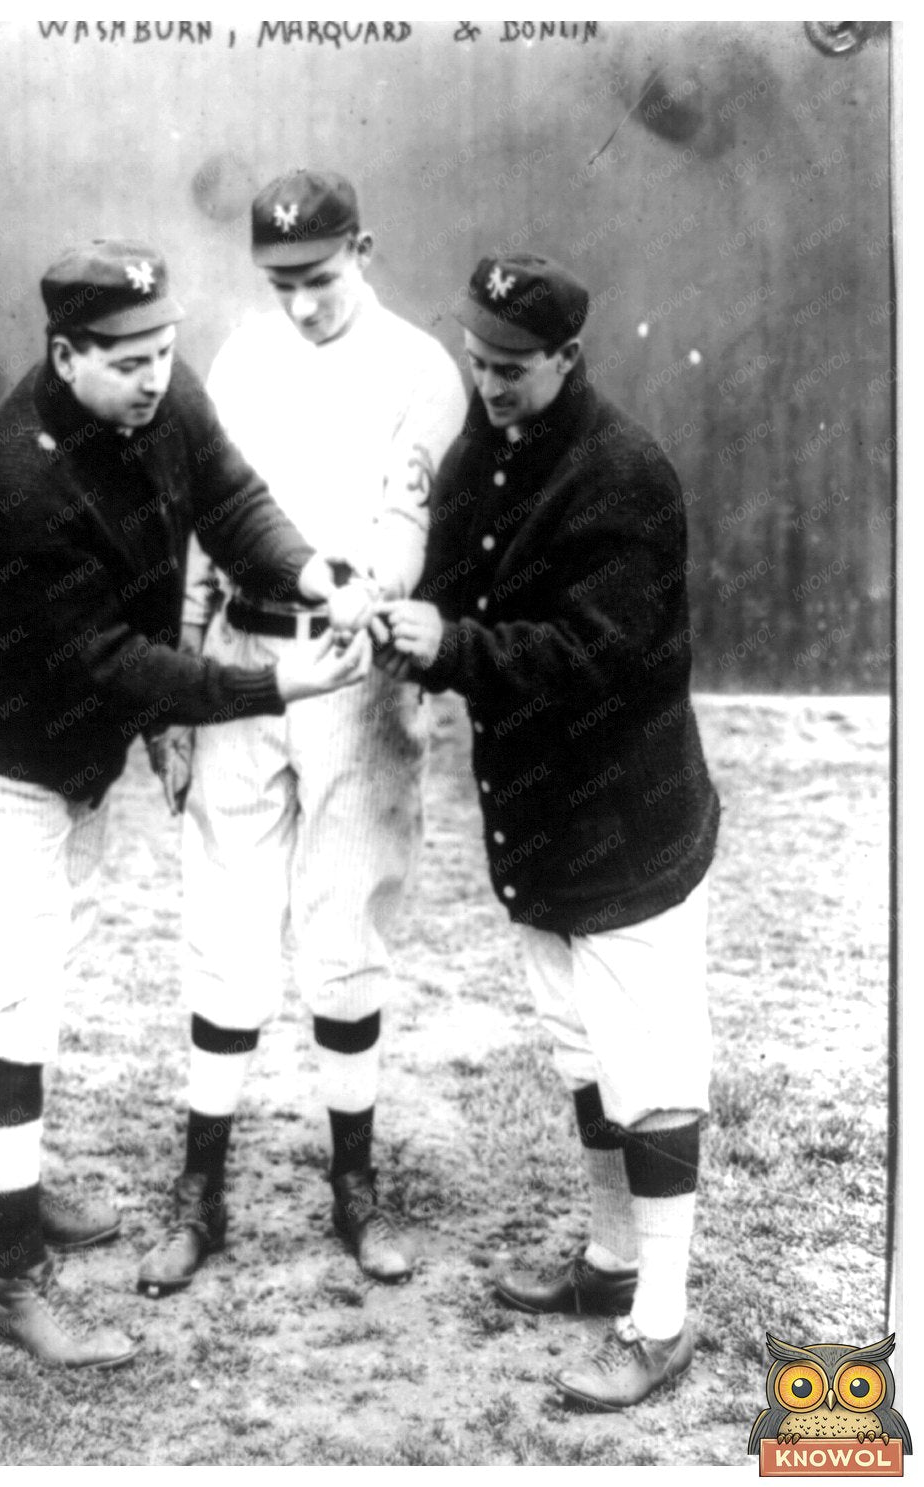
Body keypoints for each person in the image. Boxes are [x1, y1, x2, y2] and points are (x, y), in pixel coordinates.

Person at [0, 239, 368, 1368]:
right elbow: (113, 663)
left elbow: (231, 496)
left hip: (71, 751)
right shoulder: (20, 477)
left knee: (43, 971)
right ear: (63, 353)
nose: (155, 376)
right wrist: (270, 681)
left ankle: (3, 1188)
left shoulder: (161, 387)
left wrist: (311, 573)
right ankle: (10, 1273)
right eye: (125, 361)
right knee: (3, 997)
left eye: (162, 350)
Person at [380, 252, 721, 1409]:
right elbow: (454, 568)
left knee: (652, 1068)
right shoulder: (497, 440)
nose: (488, 382)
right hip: (537, 820)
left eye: (512, 368)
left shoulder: (623, 473)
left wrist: (452, 648)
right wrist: (400, 613)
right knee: (583, 1051)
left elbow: (597, 662)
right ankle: (610, 1256)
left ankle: (661, 1315)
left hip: (628, 826)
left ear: (569, 356)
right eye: (477, 360)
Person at [137, 170, 465, 1296]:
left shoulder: (419, 367)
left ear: (361, 248)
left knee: (344, 920)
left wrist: (364, 596)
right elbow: (202, 519)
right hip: (239, 654)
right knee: (225, 921)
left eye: (319, 279)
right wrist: (182, 681)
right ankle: (201, 1190)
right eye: (280, 283)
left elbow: (406, 515)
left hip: (354, 670)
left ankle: (354, 1185)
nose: (302, 303)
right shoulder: (241, 356)